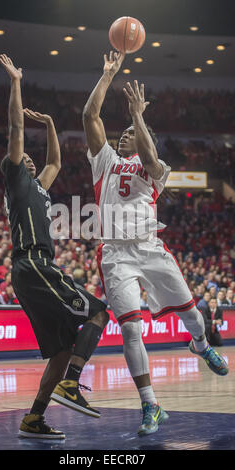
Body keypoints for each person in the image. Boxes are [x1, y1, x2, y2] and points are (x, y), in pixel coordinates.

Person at [82, 50, 229, 436]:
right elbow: (89, 118)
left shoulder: (158, 169)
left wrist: (137, 116)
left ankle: (199, 344)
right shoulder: (106, 161)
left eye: (132, 132)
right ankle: (150, 405)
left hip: (150, 248)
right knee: (132, 330)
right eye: (126, 132)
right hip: (115, 254)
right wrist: (107, 75)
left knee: (191, 314)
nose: (125, 135)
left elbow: (148, 152)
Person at [0, 54, 109, 439]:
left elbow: (56, 162)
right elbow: (15, 127)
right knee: (98, 313)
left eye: (30, 157)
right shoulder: (16, 180)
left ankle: (33, 418)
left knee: (62, 350)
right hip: (34, 264)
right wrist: (16, 81)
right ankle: (71, 384)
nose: (28, 157)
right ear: (14, 165)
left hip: (32, 270)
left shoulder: (39, 186)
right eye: (21, 156)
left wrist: (49, 124)